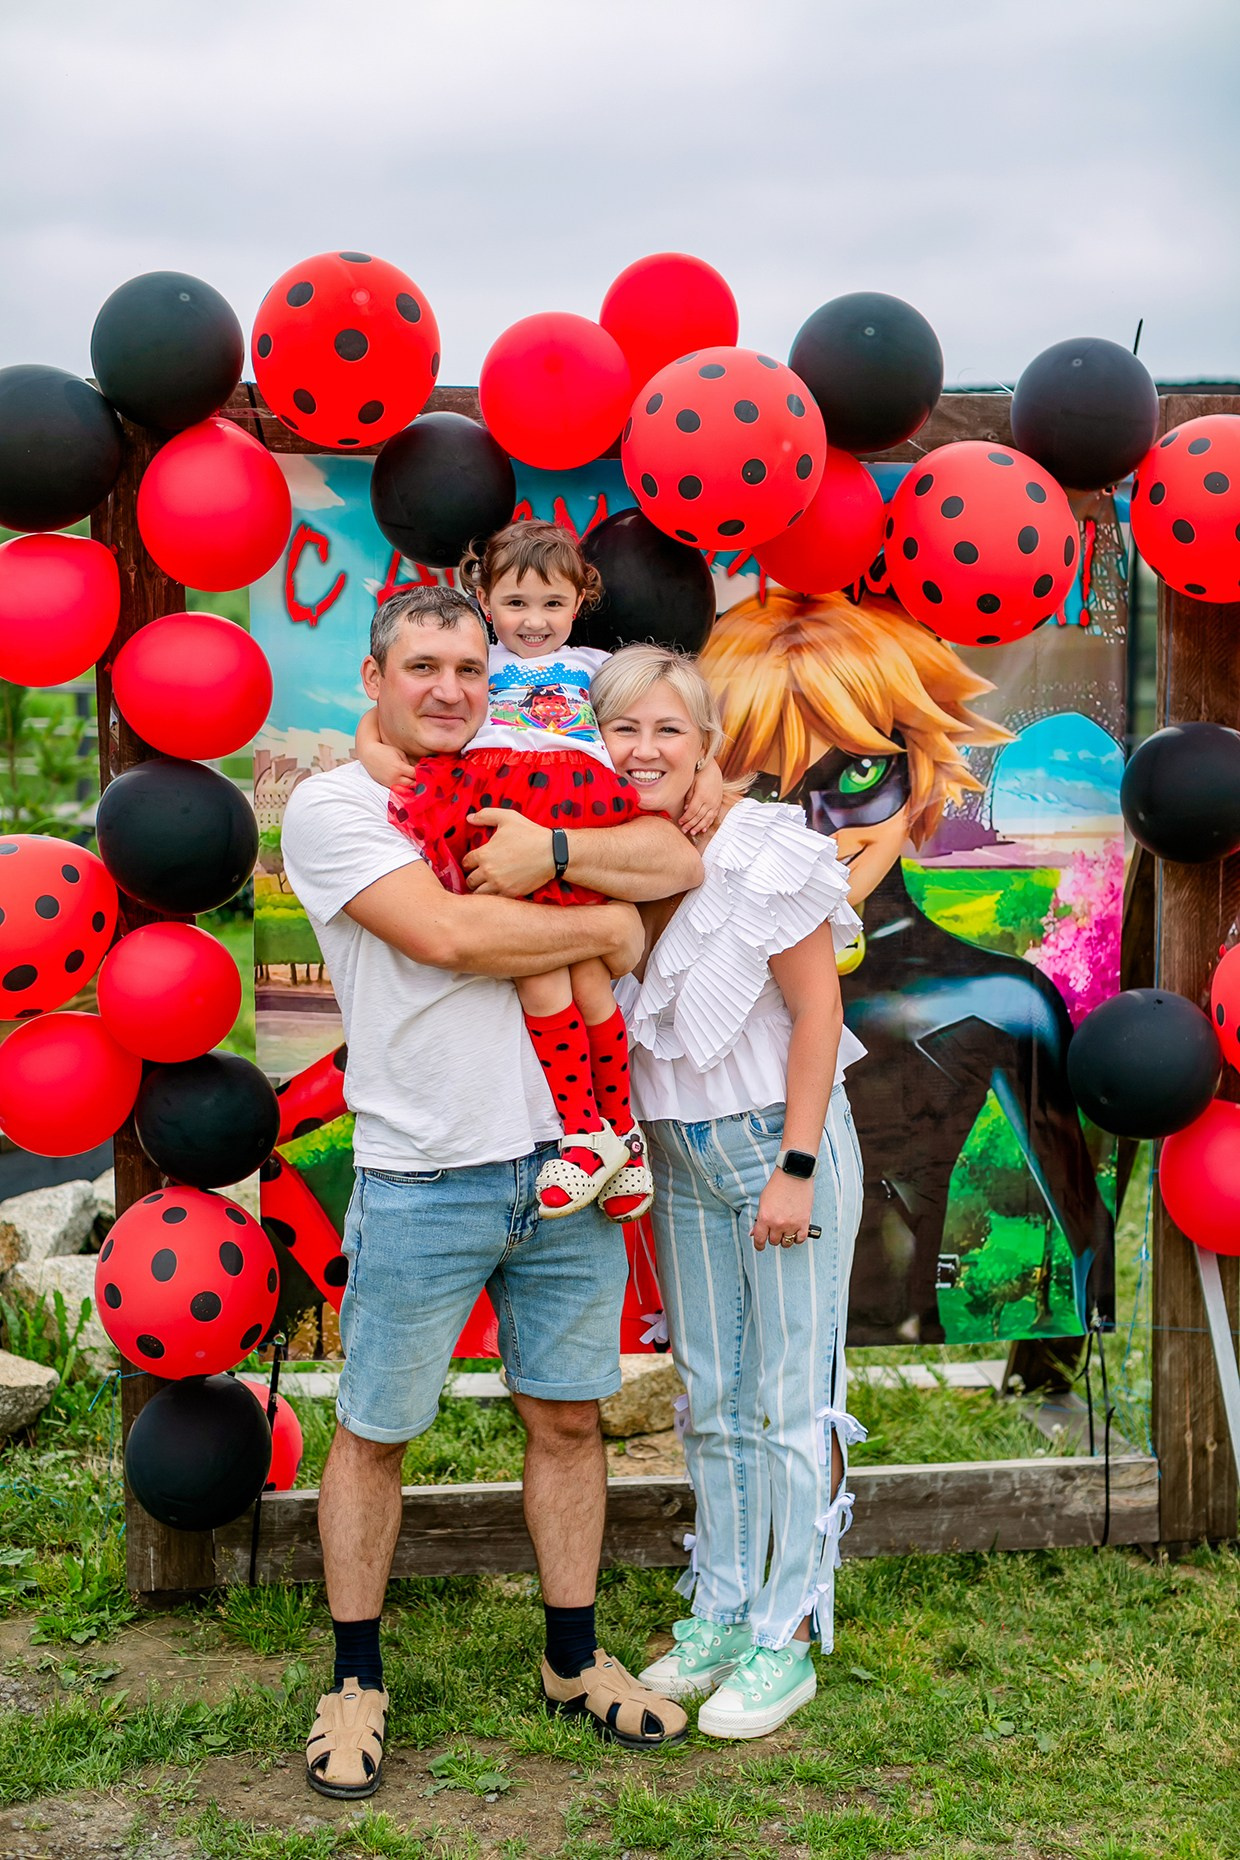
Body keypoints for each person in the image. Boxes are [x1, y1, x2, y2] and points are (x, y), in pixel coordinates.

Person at [282, 586, 703, 1798]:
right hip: (424, 1171)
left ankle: (573, 1658)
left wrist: (564, 861)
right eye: (423, 666)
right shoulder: (336, 807)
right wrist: (609, 925)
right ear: (374, 678)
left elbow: (673, 851)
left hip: (572, 1169)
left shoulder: (530, 772)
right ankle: (354, 1678)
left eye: (470, 667)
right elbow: (449, 938)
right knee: (376, 1431)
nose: (451, 689)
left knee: (569, 1417)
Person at [699, 589, 1115, 1343]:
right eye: (768, 788)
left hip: (887, 1331)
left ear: (920, 769)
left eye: (858, 777)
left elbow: (1085, 1231)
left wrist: (1049, 1378)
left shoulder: (999, 1002)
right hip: (726, 1341)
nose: (816, 829)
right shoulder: (694, 983)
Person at [593, 644, 867, 1739]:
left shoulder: (762, 851)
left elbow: (815, 1015)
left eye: (667, 730)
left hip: (774, 1146)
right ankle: (718, 1608)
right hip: (679, 1155)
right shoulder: (611, 857)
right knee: (711, 1393)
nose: (644, 749)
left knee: (790, 1398)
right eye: (623, 729)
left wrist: (796, 1164)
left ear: (707, 743)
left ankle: (784, 1633)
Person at [356, 520, 721, 1224]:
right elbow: (381, 719)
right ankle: (586, 1132)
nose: (534, 621)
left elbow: (672, 717)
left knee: (590, 980)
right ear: (485, 600)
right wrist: (372, 751)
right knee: (541, 970)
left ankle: (618, 1132)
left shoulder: (595, 667)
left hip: (578, 813)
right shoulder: (478, 666)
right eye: (517, 603)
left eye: (552, 604)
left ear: (580, 601)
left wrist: (706, 777)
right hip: (496, 808)